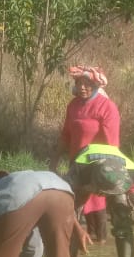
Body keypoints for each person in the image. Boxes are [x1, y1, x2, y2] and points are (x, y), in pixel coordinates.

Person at [49, 65, 120, 244]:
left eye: (87, 83)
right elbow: (66, 134)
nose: (82, 87)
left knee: (95, 200)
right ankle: (74, 242)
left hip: (97, 164)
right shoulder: (73, 106)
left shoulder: (106, 107)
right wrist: (55, 160)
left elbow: (112, 143)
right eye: (79, 82)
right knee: (73, 202)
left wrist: (105, 168)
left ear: (97, 84)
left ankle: (98, 238)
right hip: (76, 163)